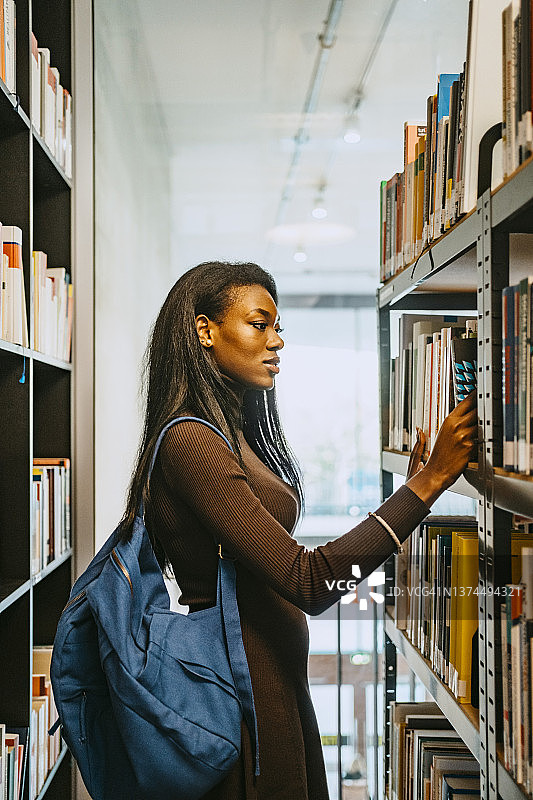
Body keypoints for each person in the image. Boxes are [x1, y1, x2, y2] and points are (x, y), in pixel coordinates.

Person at [118, 261, 477, 800]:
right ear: (204, 330)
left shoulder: (226, 431)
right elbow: (311, 582)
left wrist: (417, 489)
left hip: (269, 684)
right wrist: (425, 488)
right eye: (259, 324)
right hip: (242, 699)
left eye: (278, 326)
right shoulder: (191, 442)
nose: (276, 341)